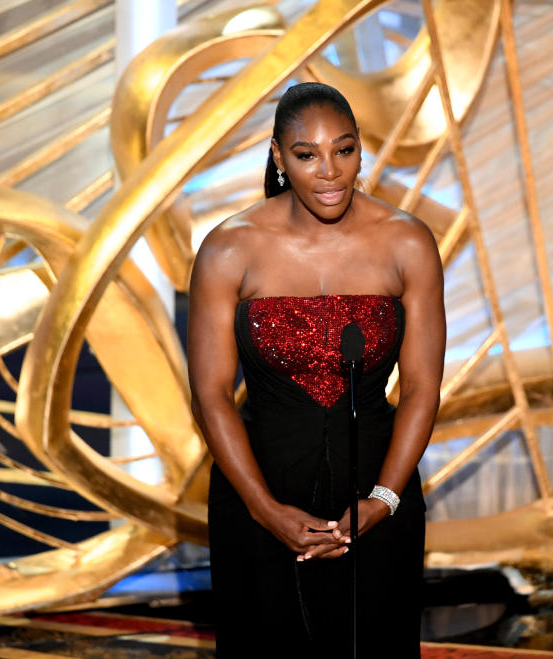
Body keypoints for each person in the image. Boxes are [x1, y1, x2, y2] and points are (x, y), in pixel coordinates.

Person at [188, 81, 445, 657]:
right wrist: (263, 508)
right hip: (260, 488)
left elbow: (423, 387)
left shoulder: (407, 242)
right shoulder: (230, 249)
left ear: (360, 151)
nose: (330, 171)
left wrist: (384, 499)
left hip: (383, 485)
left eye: (345, 150)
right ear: (279, 157)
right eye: (307, 155)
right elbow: (209, 393)